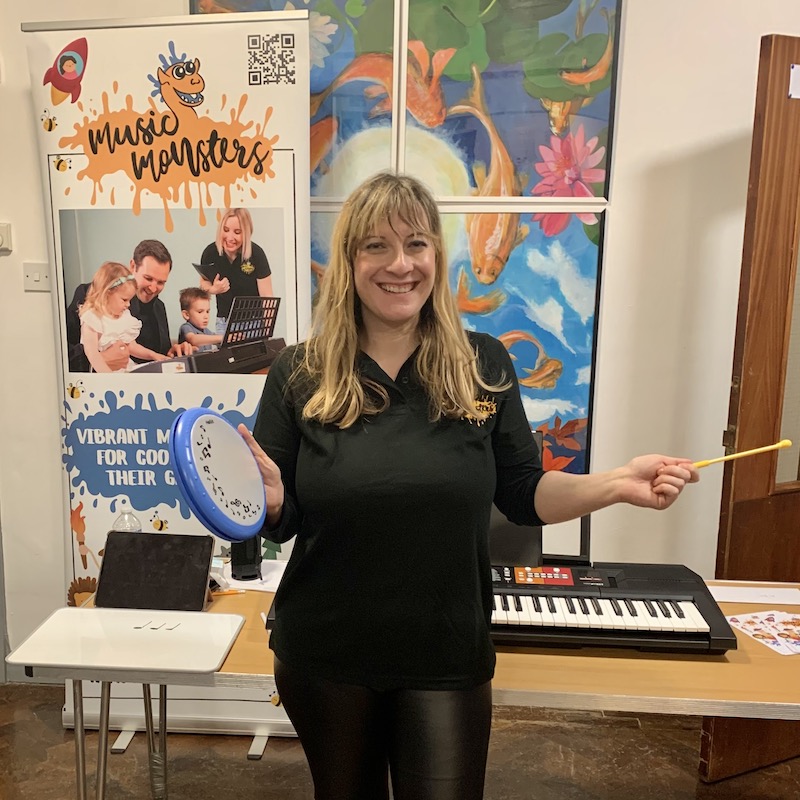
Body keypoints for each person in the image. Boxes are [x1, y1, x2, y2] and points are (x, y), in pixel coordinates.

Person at [238, 172, 699, 800]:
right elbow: (285, 516)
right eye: (376, 246)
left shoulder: (482, 362)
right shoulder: (300, 371)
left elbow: (522, 492)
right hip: (326, 652)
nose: (399, 264)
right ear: (350, 261)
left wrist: (617, 484)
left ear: (436, 256)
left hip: (446, 650)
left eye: (416, 244)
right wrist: (265, 504)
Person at [66, 239, 194, 372]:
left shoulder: (159, 308)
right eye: (148, 278)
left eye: (161, 282)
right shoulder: (91, 296)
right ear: (133, 266)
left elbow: (153, 354)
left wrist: (172, 352)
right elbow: (60, 349)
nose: (153, 288)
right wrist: (100, 360)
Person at [78, 262, 168, 373]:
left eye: (130, 300)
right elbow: (92, 353)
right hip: (105, 373)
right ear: (107, 294)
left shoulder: (124, 316)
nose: (128, 304)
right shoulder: (93, 318)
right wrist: (109, 377)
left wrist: (153, 355)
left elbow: (131, 346)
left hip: (125, 369)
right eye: (124, 300)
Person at [198, 208, 274, 335]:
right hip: (224, 321)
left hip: (254, 322)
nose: (230, 237)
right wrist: (213, 290)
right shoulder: (210, 253)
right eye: (226, 230)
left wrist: (267, 331)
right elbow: (203, 284)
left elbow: (267, 297)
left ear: (246, 233)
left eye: (237, 232)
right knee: (226, 355)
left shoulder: (257, 254)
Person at [177, 287, 222, 352]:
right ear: (186, 314)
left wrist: (230, 337)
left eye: (207, 311)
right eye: (200, 312)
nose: (206, 316)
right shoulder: (186, 327)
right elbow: (193, 339)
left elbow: (216, 338)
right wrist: (221, 338)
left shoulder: (206, 331)